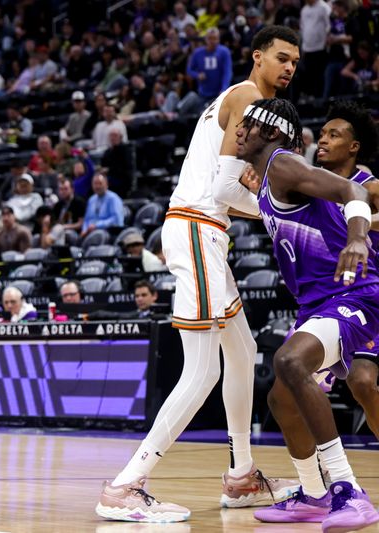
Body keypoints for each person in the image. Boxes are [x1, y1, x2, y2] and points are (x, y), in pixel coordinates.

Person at [96, 27, 302, 522]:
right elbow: (226, 189)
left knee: (245, 351)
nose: (290, 67)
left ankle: (241, 476)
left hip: (204, 232)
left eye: (296, 61)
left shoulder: (240, 101)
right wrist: (280, 212)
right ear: (256, 57)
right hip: (196, 227)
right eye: (281, 57)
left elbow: (229, 188)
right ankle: (126, 485)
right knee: (204, 369)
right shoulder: (250, 97)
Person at [237, 98, 379, 531]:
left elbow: (353, 191)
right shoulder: (269, 177)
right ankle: (313, 494)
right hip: (317, 302)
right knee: (280, 398)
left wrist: (358, 237)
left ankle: (346, 491)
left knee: (292, 362)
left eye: (249, 123)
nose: (240, 129)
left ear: (274, 132)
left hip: (354, 292)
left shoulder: (283, 164)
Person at [311, 101, 379, 440]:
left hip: (370, 295)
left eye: (333, 135)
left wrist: (360, 225)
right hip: (334, 299)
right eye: (322, 134)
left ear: (353, 146)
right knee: (356, 384)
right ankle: (319, 479)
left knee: (362, 381)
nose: (322, 140)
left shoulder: (369, 184)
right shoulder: (312, 186)